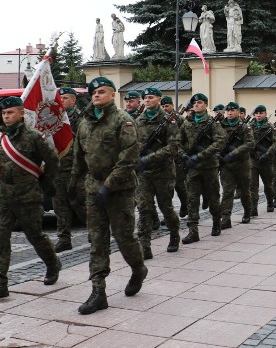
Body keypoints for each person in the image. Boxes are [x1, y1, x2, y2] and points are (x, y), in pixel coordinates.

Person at [0, 96, 61, 303]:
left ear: (21, 113)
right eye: (4, 114)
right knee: (1, 239)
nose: (6, 117)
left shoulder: (35, 137)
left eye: (10, 113)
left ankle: (53, 263)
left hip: (29, 196)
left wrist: (42, 185)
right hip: (5, 197)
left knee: (35, 235)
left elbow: (53, 161)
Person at [71, 77, 147, 314]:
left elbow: (129, 158)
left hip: (120, 190)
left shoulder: (123, 121)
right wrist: (74, 183)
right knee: (97, 240)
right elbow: (79, 156)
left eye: (102, 92)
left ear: (113, 95)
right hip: (93, 189)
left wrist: (109, 185)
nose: (96, 95)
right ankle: (98, 291)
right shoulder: (84, 123)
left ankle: (138, 268)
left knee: (124, 238)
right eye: (93, 92)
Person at [135, 87, 181, 257]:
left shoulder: (169, 121)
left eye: (151, 97)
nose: (147, 100)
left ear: (159, 99)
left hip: (164, 172)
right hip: (144, 174)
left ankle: (174, 235)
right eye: (145, 97)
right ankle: (144, 245)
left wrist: (150, 158)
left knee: (166, 207)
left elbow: (174, 147)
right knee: (144, 208)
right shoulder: (138, 121)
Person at [179, 93, 226, 243]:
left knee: (213, 198)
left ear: (206, 105)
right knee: (192, 199)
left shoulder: (213, 124)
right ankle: (193, 231)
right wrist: (184, 156)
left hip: (209, 167)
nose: (196, 105)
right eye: (194, 103)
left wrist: (200, 156)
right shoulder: (187, 123)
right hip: (192, 168)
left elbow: (219, 142)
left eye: (199, 102)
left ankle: (216, 222)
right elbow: (177, 141)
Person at [53, 87, 86, 252]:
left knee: (81, 204)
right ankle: (64, 238)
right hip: (58, 170)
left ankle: (95, 233)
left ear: (73, 100)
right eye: (60, 98)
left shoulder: (82, 120)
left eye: (65, 98)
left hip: (76, 170)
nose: (61, 101)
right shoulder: (55, 120)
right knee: (60, 206)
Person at [218, 102, 254, 228]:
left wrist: (234, 153)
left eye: (232, 110)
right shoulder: (220, 126)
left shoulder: (245, 127)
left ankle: (247, 212)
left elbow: (250, 144)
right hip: (226, 165)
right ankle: (226, 218)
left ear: (238, 112)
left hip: (242, 164)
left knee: (244, 191)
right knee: (227, 192)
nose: (229, 113)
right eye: (228, 111)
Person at [249, 105, 276, 214]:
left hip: (266, 161)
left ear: (265, 114)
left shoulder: (271, 127)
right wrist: (249, 150)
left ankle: (270, 203)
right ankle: (253, 208)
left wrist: (267, 154)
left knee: (268, 184)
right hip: (253, 161)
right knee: (253, 186)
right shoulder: (249, 127)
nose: (258, 115)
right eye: (256, 113)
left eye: (261, 113)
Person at [160, 96, 188, 218]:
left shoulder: (180, 119)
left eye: (167, 106)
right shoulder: (161, 118)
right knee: (167, 189)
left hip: (178, 157)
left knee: (180, 185)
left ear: (172, 105)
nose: (165, 108)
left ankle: (185, 203)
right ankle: (168, 215)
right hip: (164, 157)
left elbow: (185, 137)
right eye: (163, 106)